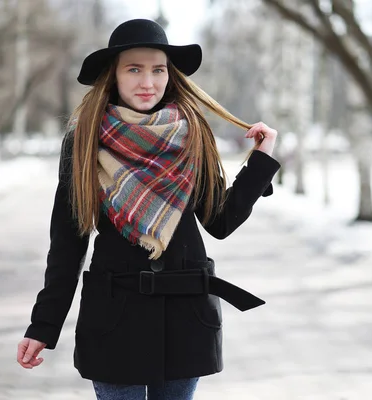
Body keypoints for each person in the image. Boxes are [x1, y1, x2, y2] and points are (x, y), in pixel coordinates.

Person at [16, 18, 280, 400]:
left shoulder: (193, 134)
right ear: (115, 76)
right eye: (134, 69)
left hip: (185, 319)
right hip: (114, 321)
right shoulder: (85, 140)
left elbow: (220, 221)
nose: (148, 82)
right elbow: (68, 243)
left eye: (158, 70)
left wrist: (259, 162)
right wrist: (43, 325)